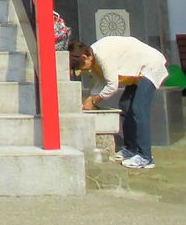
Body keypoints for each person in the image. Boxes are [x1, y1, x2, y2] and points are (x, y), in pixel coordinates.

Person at [68, 36, 168, 170]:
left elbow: (112, 86)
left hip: (151, 66)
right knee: (125, 105)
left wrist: (94, 100)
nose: (83, 70)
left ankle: (146, 157)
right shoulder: (94, 58)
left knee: (139, 109)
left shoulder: (103, 55)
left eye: (81, 67)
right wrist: (89, 100)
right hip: (136, 72)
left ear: (85, 57)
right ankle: (131, 149)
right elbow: (99, 84)